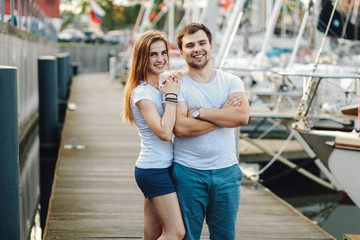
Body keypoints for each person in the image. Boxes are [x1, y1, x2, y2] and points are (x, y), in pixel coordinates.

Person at [172, 22, 250, 239]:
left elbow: (242, 116)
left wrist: (199, 112)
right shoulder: (177, 84)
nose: (197, 49)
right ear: (181, 52)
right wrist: (223, 115)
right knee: (188, 236)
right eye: (190, 45)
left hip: (226, 172)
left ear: (211, 46)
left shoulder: (231, 81)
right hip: (188, 172)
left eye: (202, 43)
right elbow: (180, 127)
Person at [123, 30, 185, 239]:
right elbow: (164, 132)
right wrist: (171, 95)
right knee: (176, 232)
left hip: (162, 167)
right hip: (153, 169)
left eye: (163, 53)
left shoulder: (158, 88)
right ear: (142, 57)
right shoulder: (142, 93)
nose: (161, 59)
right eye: (153, 54)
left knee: (153, 234)